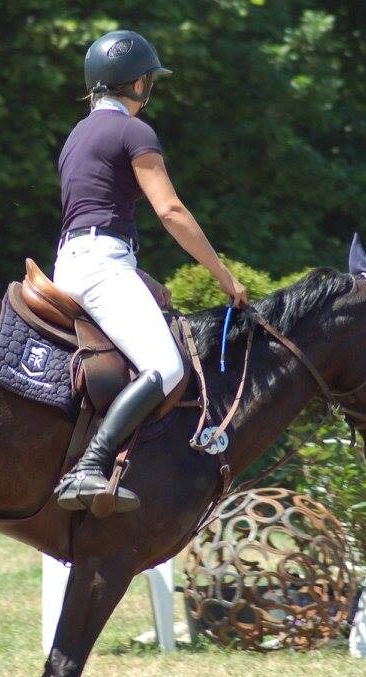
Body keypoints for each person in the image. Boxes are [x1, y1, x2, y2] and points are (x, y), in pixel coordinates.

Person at [52, 30, 248, 513]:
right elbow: (171, 212)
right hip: (103, 265)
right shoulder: (134, 132)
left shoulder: (76, 135)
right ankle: (91, 466)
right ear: (137, 82)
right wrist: (226, 279)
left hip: (68, 262)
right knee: (166, 366)